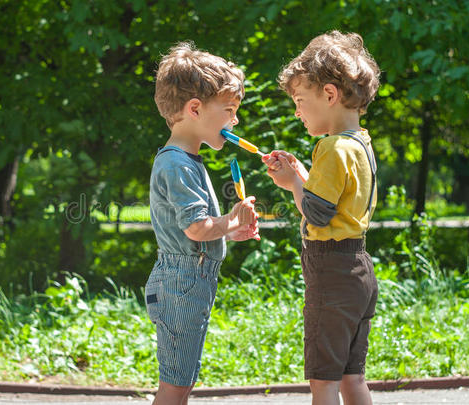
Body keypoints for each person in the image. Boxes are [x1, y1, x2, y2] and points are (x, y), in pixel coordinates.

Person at [263, 31, 381, 405]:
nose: (297, 111)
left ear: (329, 95)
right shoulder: (360, 143)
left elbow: (316, 212)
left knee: (323, 381)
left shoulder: (330, 147)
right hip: (359, 269)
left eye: (300, 101)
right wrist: (301, 177)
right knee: (352, 377)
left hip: (331, 272)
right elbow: (335, 202)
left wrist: (292, 183)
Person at [146, 42, 260, 405]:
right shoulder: (178, 163)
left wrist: (232, 230)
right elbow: (196, 228)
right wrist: (228, 220)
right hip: (181, 281)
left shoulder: (188, 160)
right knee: (176, 384)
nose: (235, 121)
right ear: (194, 109)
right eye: (229, 111)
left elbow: (201, 229)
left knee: (183, 379)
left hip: (190, 279)